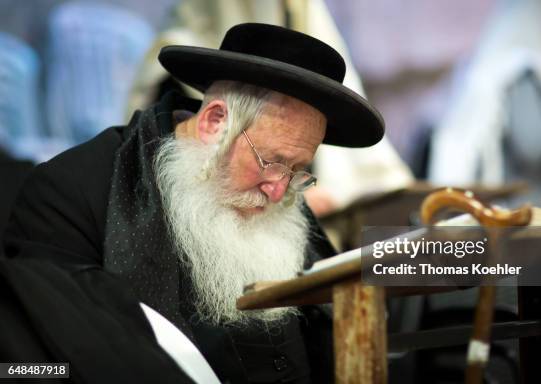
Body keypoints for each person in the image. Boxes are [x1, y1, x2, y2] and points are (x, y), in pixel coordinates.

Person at [2, 23, 384, 383]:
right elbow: (31, 367)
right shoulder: (74, 191)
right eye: (272, 162)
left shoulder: (281, 200)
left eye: (297, 170)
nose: (279, 192)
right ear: (215, 122)